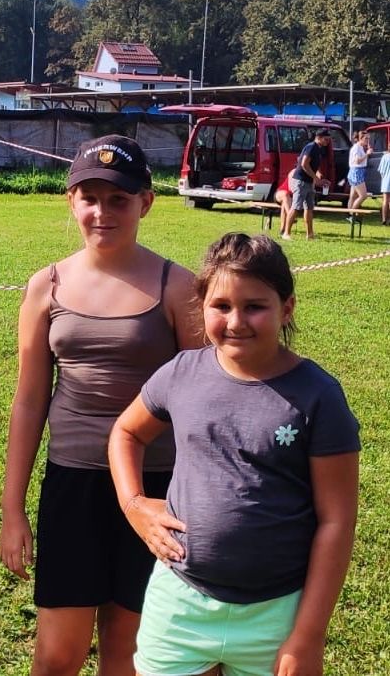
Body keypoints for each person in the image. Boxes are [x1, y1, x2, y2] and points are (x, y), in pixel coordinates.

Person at [109, 232, 360, 676]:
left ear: (287, 308)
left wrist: (308, 635)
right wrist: (133, 504)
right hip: (180, 601)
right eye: (221, 306)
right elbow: (126, 433)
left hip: (276, 613)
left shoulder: (318, 396)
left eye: (255, 306)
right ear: (201, 306)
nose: (236, 321)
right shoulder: (181, 374)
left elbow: (336, 522)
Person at [0, 135, 202, 676]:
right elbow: (29, 400)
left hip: (157, 490)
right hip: (73, 485)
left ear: (146, 202)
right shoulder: (47, 286)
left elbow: (206, 403)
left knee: (127, 651)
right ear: (71, 202)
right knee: (56, 655)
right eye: (89, 197)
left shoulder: (178, 287)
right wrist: (12, 507)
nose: (102, 212)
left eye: (118, 199)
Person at [282, 129, 333, 240]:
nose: (327, 142)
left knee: (309, 207)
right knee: (296, 207)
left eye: (329, 139)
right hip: (300, 181)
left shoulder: (319, 149)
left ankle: (310, 234)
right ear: (318, 137)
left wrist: (319, 175)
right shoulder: (311, 147)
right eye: (326, 139)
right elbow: (304, 164)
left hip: (309, 182)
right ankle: (286, 233)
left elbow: (315, 164)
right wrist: (316, 178)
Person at [346, 130, 373, 219]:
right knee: (363, 195)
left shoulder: (360, 147)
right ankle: (353, 213)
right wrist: (367, 154)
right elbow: (358, 161)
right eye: (366, 138)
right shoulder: (356, 148)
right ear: (360, 139)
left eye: (368, 138)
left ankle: (349, 213)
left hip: (357, 172)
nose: (367, 141)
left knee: (353, 196)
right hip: (356, 172)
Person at [274, 170, 294, 236]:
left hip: (290, 199)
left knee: (284, 205)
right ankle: (290, 215)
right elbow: (291, 189)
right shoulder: (293, 173)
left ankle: (282, 230)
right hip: (280, 194)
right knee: (285, 194)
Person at [379, 149, 390, 226]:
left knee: (385, 200)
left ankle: (384, 219)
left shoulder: (385, 157)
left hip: (386, 181)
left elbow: (381, 171)